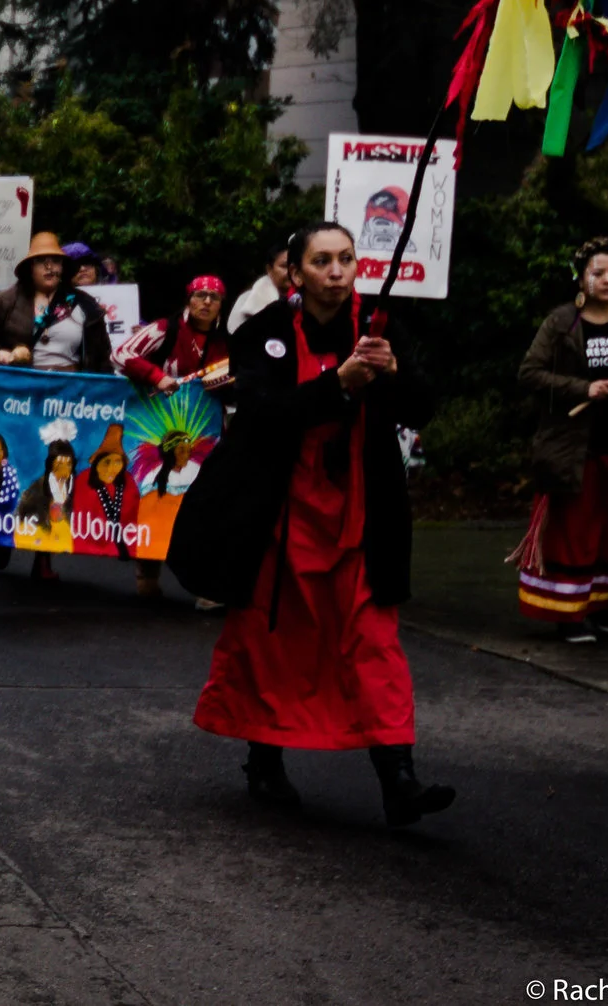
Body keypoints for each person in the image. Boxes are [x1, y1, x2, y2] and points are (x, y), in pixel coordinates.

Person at [169, 222, 453, 827]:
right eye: (322, 261)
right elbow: (261, 411)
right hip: (280, 516)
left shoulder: (380, 329)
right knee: (271, 644)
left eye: (346, 259)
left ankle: (399, 779)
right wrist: (337, 386)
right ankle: (264, 760)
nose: (336, 271)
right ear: (295, 274)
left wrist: (393, 372)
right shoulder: (262, 333)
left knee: (375, 643)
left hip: (359, 515)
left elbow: (422, 404)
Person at [515, 238, 608, 643]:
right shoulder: (562, 323)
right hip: (575, 448)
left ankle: (602, 607)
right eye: (598, 272)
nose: (607, 280)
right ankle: (568, 614)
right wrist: (583, 389)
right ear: (582, 277)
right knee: (574, 530)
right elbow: (529, 373)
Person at [0, 232, 110, 580]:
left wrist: (102, 393)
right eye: (43, 261)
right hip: (18, 396)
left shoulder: (83, 306)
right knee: (13, 463)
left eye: (56, 261)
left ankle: (43, 556)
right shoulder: (8, 300)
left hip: (66, 398)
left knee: (56, 471)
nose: (51, 266)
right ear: (28, 268)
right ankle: (0, 534)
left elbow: (100, 356)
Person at [110, 275, 234, 600]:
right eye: (200, 295)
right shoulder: (166, 329)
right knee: (159, 497)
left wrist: (227, 384)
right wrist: (157, 376)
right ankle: (146, 574)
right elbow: (121, 355)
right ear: (189, 299)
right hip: (157, 428)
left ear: (222, 304)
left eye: (214, 297)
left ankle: (203, 587)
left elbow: (239, 377)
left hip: (205, 434)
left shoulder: (226, 341)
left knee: (203, 504)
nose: (206, 302)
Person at [228, 241, 293, 329]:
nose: (290, 272)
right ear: (269, 269)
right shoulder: (246, 300)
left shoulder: (307, 300)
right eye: (284, 266)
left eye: (294, 267)